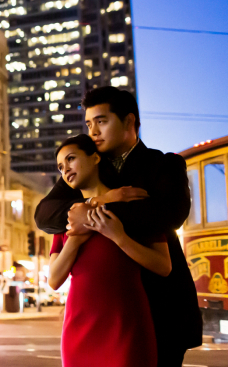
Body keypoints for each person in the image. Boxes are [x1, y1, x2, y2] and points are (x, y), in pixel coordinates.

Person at [35, 86, 202, 366]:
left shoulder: (164, 165)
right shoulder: (85, 169)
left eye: (101, 121)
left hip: (162, 304)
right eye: (89, 124)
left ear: (129, 121)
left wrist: (88, 210)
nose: (93, 132)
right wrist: (106, 198)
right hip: (100, 312)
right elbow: (45, 215)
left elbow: (168, 214)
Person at [49, 134, 173, 366]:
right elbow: (54, 280)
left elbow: (164, 266)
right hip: (78, 329)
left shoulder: (132, 202)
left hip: (126, 325)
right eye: (60, 166)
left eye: (71, 159)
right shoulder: (66, 216)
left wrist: (118, 236)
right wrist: (75, 238)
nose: (65, 169)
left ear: (95, 157)